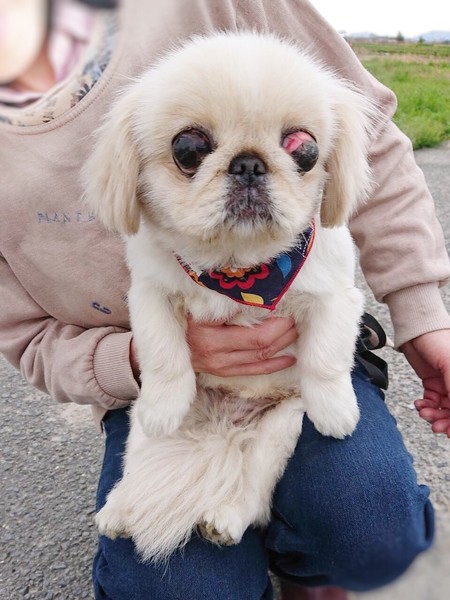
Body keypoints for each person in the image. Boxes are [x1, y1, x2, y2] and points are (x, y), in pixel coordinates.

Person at [0, 0, 449, 598]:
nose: (249, 173)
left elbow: (377, 156)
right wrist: (142, 362)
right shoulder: (147, 244)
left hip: (295, 366)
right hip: (154, 381)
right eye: (191, 152)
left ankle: (306, 563)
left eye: (299, 150)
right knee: (176, 584)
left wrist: (425, 320)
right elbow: (24, 333)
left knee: (371, 523)